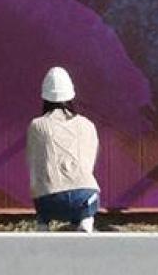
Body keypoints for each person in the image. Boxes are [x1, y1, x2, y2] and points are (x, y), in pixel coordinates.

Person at [26, 66, 100, 232]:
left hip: (48, 200)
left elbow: (34, 165)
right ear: (71, 95)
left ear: (45, 97)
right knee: (88, 192)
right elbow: (89, 163)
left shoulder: (37, 125)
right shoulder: (87, 124)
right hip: (84, 196)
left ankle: (43, 224)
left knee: (42, 191)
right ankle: (85, 221)